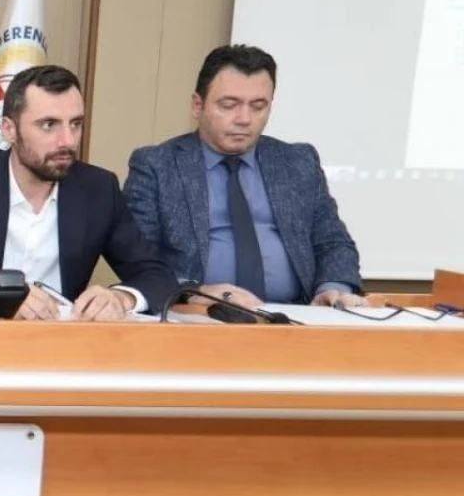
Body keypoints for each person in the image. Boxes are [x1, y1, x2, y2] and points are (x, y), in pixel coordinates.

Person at [0, 65, 177, 321]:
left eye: (75, 124)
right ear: (9, 129)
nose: (67, 141)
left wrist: (121, 298)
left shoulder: (98, 189)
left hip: (62, 346)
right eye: (48, 125)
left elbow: (157, 275)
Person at [123, 44, 364, 309]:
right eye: (229, 105)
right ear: (197, 105)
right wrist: (195, 292)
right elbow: (138, 261)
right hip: (200, 315)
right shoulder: (157, 166)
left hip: (294, 315)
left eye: (258, 106)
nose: (244, 119)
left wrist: (333, 288)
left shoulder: (298, 162)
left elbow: (333, 242)